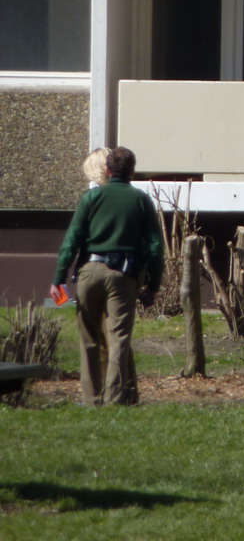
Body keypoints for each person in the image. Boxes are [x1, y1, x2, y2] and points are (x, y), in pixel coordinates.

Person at [49, 146, 164, 406]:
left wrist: (59, 276)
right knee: (118, 338)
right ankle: (116, 397)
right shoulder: (141, 200)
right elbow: (155, 247)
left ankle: (92, 398)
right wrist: (154, 284)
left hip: (89, 272)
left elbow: (72, 239)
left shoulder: (91, 198)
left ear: (108, 170)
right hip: (123, 274)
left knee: (89, 337)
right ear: (132, 171)